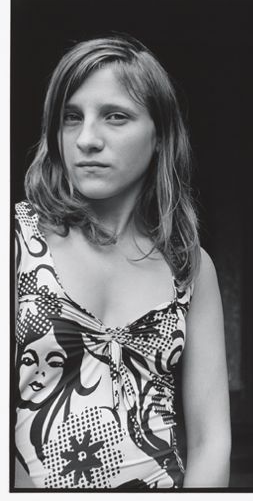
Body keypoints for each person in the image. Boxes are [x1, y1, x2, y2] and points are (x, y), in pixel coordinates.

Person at [14, 35, 231, 489]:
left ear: (160, 136)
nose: (87, 139)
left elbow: (211, 440)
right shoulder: (17, 239)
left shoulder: (189, 267)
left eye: (115, 117)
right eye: (71, 117)